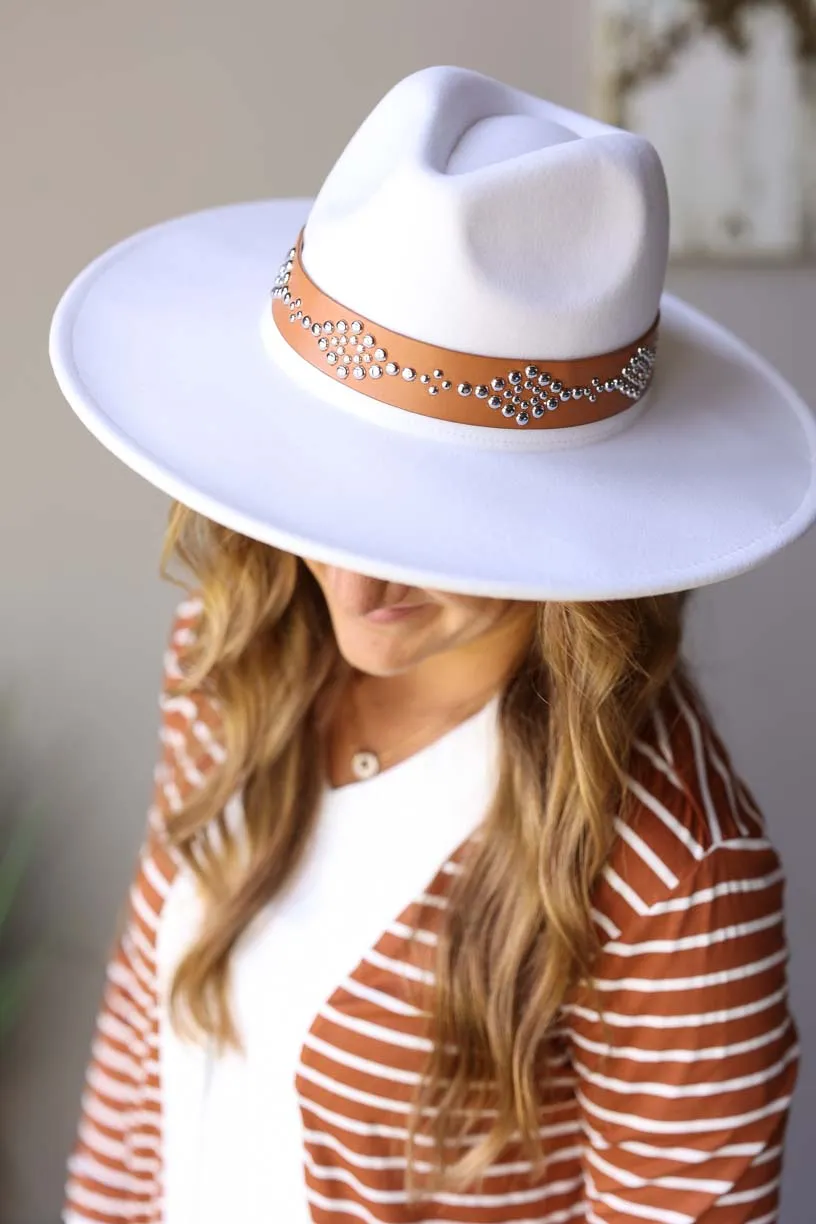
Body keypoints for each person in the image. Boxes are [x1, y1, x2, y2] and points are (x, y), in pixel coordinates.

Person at [50, 65, 816, 1224]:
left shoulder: (673, 878)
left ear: (577, 519)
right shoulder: (234, 649)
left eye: (434, 528)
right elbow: (142, 1061)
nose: (354, 581)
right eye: (336, 498)